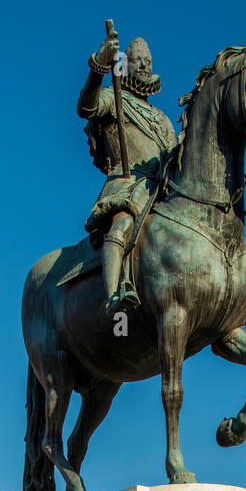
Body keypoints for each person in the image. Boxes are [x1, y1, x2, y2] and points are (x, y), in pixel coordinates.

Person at [77, 30, 177, 314]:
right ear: (125, 64)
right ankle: (113, 295)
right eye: (136, 60)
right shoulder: (113, 97)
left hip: (159, 190)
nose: (144, 65)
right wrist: (99, 66)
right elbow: (86, 107)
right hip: (127, 184)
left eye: (148, 60)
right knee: (122, 223)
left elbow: (172, 154)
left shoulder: (162, 118)